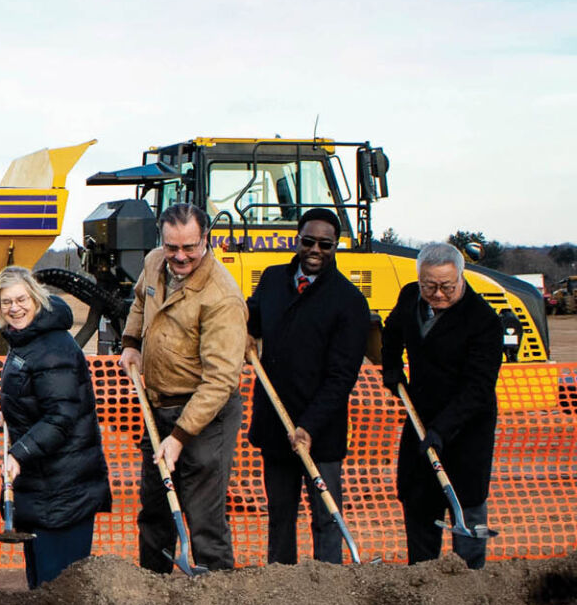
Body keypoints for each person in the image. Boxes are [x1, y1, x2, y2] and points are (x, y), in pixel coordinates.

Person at [118, 203, 247, 573]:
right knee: (155, 509)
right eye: (172, 246)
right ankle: (154, 593)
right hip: (158, 406)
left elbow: (220, 380)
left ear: (205, 239)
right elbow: (141, 300)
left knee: (204, 517)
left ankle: (217, 598)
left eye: (189, 247)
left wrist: (179, 437)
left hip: (206, 417)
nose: (180, 256)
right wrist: (130, 342)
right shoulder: (155, 262)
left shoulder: (221, 296)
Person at [245, 207, 369, 565]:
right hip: (276, 423)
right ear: (297, 241)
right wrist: (248, 334)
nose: (316, 250)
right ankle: (282, 585)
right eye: (309, 242)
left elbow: (342, 376)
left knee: (325, 517)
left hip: (320, 432)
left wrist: (309, 426)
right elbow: (253, 316)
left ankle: (327, 589)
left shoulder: (349, 301)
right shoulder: (272, 279)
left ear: (336, 246)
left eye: (325, 245)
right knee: (280, 515)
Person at [380, 242, 503, 568]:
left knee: (467, 505)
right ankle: (422, 581)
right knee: (419, 500)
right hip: (420, 418)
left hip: (466, 429)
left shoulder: (483, 321)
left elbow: (478, 389)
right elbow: (391, 332)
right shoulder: (410, 297)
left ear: (460, 279)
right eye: (428, 286)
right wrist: (391, 368)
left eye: (446, 287)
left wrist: (442, 430)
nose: (436, 294)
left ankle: (469, 587)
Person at [0, 266, 110, 587]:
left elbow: (61, 417)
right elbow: (38, 397)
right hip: (44, 488)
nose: (14, 308)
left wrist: (18, 454)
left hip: (64, 490)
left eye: (21, 299)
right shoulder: (26, 339)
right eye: (6, 302)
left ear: (36, 298)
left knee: (59, 591)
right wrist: (12, 413)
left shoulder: (53, 347)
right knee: (41, 589)